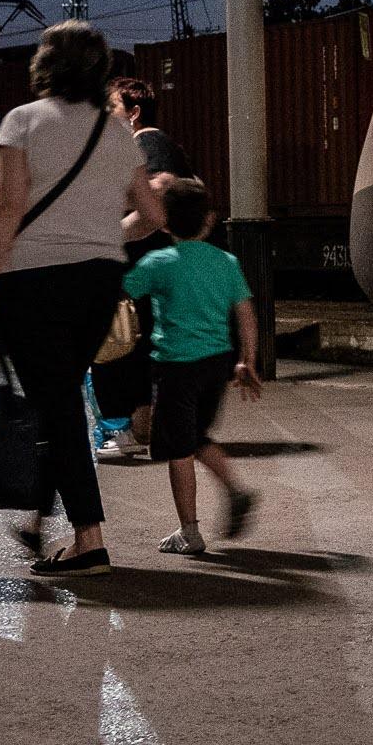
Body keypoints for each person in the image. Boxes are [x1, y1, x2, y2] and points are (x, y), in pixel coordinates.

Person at [0, 21, 167, 577]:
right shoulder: (117, 131)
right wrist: (98, 239)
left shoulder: (22, 122)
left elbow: (4, 209)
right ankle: (37, 521)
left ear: (45, 64)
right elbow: (154, 215)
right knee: (58, 402)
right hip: (99, 282)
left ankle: (89, 540)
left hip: (34, 281)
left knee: (56, 405)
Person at [123, 178, 262, 555]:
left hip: (175, 366)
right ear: (210, 220)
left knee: (178, 449)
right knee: (197, 435)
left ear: (163, 223)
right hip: (217, 364)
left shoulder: (158, 263)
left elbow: (119, 290)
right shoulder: (226, 262)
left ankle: (190, 530)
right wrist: (246, 360)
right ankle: (235, 490)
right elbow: (246, 313)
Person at [93, 76, 195, 460]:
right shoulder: (145, 145)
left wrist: (110, 235)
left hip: (151, 269)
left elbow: (159, 195)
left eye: (112, 108)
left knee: (125, 344)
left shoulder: (147, 141)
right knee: (138, 347)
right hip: (156, 269)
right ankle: (141, 430)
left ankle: (127, 432)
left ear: (134, 113)